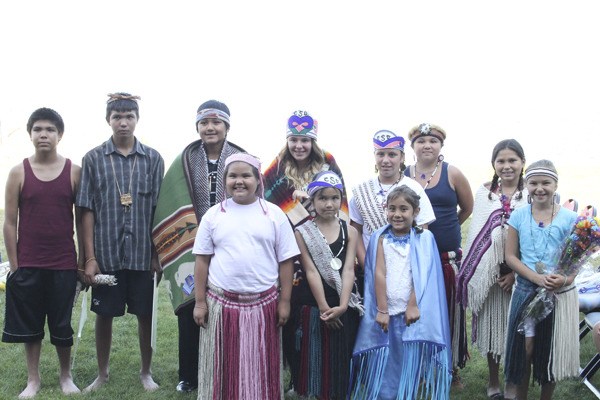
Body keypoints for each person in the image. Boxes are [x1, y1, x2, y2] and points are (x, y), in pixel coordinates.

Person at [151, 100, 244, 393]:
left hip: (231, 245)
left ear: (227, 126)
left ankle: (227, 368)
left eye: (216, 122)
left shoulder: (241, 158)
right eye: (204, 122)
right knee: (192, 307)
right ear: (197, 127)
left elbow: (257, 199)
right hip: (192, 246)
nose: (210, 127)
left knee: (229, 308)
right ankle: (189, 375)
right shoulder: (186, 159)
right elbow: (169, 198)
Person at [192, 153, 299, 400]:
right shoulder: (213, 215)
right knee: (222, 364)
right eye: (233, 176)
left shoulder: (273, 214)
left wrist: (284, 301)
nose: (239, 181)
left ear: (257, 180)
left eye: (245, 175)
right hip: (221, 303)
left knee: (261, 363)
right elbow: (202, 261)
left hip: (264, 304)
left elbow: (286, 261)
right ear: (225, 180)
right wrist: (199, 302)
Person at [77, 93, 164, 392]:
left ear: (137, 119)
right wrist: (89, 257)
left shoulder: (153, 159)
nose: (123, 122)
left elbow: (157, 210)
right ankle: (102, 373)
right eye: (117, 116)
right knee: (104, 314)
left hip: (142, 253)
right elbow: (86, 210)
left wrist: (157, 254)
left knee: (145, 314)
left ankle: (146, 371)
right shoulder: (93, 159)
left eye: (129, 116)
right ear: (108, 120)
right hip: (107, 253)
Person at [2, 108, 82, 398]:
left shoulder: (74, 171)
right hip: (29, 263)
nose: (43, 134)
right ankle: (33, 380)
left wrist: (84, 260)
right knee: (31, 324)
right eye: (38, 129)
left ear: (60, 135)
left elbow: (83, 218)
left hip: (63, 263)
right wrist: (14, 264)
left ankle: (65, 376)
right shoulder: (17, 172)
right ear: (30, 134)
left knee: (61, 324)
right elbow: (10, 222)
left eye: (49, 129)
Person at [349, 186, 451, 400]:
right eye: (392, 208)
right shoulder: (380, 237)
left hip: (410, 315)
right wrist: (382, 309)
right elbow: (378, 273)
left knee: (407, 364)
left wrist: (413, 304)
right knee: (384, 363)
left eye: (404, 209)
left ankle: (406, 394)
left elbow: (423, 275)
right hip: (386, 312)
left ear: (416, 211)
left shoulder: (425, 239)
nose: (397, 214)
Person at [456, 139, 527, 399]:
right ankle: (494, 380)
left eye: (512, 160)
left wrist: (515, 273)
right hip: (490, 278)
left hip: (522, 277)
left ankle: (512, 381)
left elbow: (535, 242)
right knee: (490, 329)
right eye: (501, 161)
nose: (507, 166)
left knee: (517, 333)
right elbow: (477, 237)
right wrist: (492, 272)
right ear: (493, 164)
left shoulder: (531, 193)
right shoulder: (485, 194)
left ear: (522, 162)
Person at [503, 160, 579, 400]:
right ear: (526, 185)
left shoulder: (570, 218)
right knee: (524, 350)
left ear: (556, 185)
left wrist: (564, 279)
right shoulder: (518, 215)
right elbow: (511, 256)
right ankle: (521, 395)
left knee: (549, 353)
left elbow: (576, 262)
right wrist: (536, 277)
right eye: (533, 183)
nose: (540, 188)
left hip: (557, 294)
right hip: (526, 289)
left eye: (546, 182)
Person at [404, 122, 473, 373]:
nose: (427, 145)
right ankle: (419, 366)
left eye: (432, 141)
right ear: (413, 147)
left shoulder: (452, 173)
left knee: (449, 312)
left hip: (446, 258)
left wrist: (448, 227)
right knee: (417, 312)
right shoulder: (403, 173)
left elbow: (466, 208)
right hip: (412, 256)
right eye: (421, 141)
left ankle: (451, 368)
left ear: (440, 145)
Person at [288, 171, 363, 399]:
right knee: (316, 354)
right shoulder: (302, 232)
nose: (329, 204)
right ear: (312, 200)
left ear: (340, 199)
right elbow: (310, 270)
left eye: (334, 198)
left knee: (340, 354)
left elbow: (349, 269)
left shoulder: (349, 230)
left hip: (343, 300)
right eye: (322, 198)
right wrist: (323, 307)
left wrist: (341, 306)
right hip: (315, 304)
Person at [350, 129, 435, 269]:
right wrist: (365, 262)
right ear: (374, 156)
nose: (385, 160)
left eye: (392, 155)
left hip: (406, 266)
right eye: (380, 154)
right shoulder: (362, 190)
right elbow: (356, 230)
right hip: (372, 264)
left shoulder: (414, 188)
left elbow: (422, 232)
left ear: (401, 158)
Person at [264, 110, 349, 229]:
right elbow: (264, 202)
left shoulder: (328, 162)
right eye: (293, 140)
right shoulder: (277, 167)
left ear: (312, 142)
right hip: (287, 234)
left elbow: (339, 198)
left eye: (304, 140)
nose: (299, 146)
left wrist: (310, 197)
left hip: (327, 233)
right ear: (287, 141)